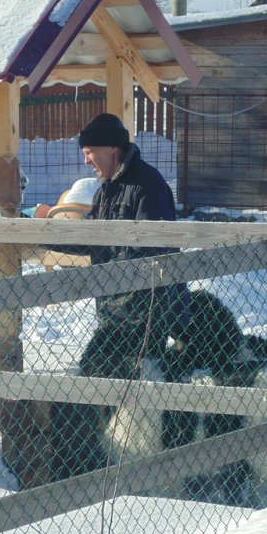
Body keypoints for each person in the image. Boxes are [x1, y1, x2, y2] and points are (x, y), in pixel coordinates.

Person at [48, 113, 191, 480]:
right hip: (116, 314)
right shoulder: (108, 189)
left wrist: (114, 270)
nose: (86, 160)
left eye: (90, 151)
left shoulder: (148, 188)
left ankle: (134, 471)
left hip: (145, 315)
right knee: (102, 389)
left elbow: (154, 252)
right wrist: (44, 233)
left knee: (123, 393)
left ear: (112, 149)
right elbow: (93, 239)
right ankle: (106, 467)